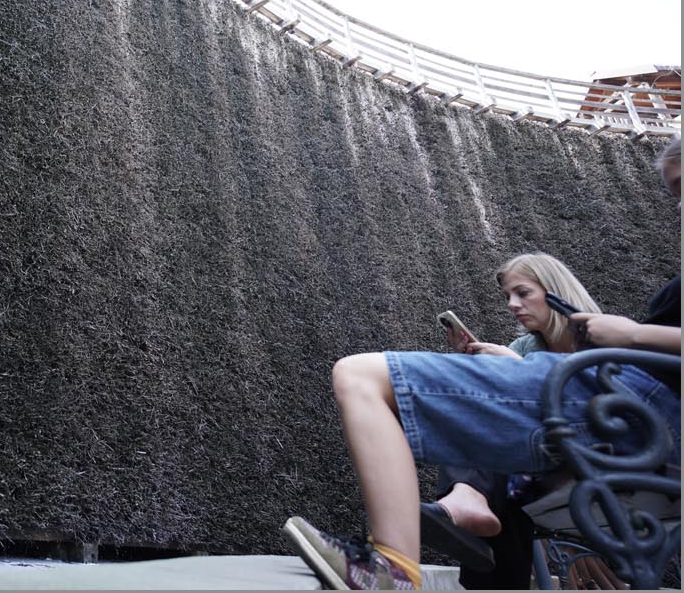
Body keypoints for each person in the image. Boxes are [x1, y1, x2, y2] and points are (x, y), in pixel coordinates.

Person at [283, 136, 682, 590]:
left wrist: (632, 334)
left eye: (523, 293)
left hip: (628, 411)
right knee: (465, 424)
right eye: (675, 194)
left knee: (361, 375)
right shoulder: (534, 344)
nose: (679, 209)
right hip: (612, 420)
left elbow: (614, 359)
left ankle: (397, 564)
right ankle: (457, 514)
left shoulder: (599, 344)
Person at [421, 253, 604, 589]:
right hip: (528, 468)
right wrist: (474, 364)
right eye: (508, 296)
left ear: (555, 291)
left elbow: (601, 415)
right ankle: (471, 499)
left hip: (590, 460)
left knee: (502, 447)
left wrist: (518, 368)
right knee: (488, 440)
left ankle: (467, 497)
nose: (512, 304)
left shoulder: (603, 339)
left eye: (523, 293)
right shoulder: (526, 344)